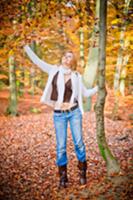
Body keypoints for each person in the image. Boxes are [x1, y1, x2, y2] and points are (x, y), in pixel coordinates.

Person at [24, 44, 98, 188]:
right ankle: (63, 177)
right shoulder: (54, 70)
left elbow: (85, 93)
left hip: (74, 112)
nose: (66, 58)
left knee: (79, 143)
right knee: (61, 147)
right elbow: (37, 61)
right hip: (59, 114)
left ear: (73, 61)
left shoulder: (77, 76)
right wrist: (26, 47)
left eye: (69, 57)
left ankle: (82, 171)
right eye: (65, 56)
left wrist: (99, 88)